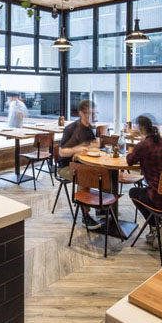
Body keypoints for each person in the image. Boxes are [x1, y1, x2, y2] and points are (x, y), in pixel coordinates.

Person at [126, 115, 162, 246]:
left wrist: (131, 149)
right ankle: (155, 229)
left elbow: (130, 161)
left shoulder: (143, 145)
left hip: (159, 197)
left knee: (133, 192)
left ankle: (157, 226)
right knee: (143, 190)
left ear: (141, 128)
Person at [57, 98, 101, 228]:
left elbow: (92, 146)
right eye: (90, 114)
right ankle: (85, 216)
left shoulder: (90, 128)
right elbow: (61, 152)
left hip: (84, 165)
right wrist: (77, 149)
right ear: (81, 113)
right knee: (84, 178)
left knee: (105, 174)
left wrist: (94, 145)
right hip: (66, 167)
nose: (93, 116)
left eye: (94, 114)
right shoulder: (71, 129)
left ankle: (103, 208)